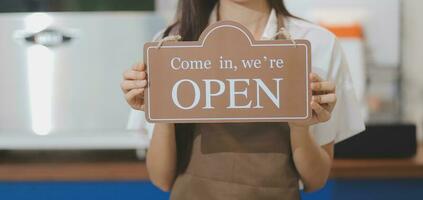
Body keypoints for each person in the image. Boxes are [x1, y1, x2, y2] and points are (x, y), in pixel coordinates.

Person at [121, 0, 365, 199]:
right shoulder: (169, 46)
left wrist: (300, 127)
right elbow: (161, 179)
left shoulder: (316, 45)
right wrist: (162, 109)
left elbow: (316, 179)